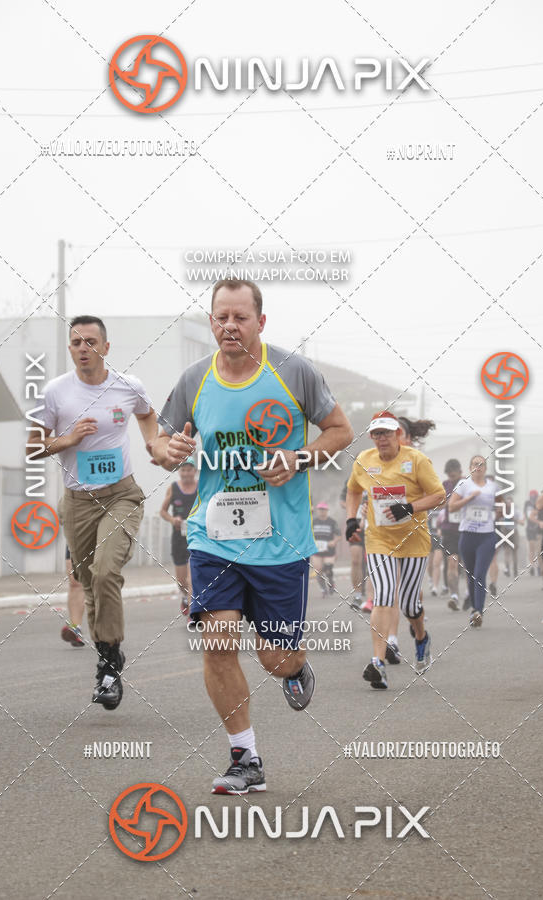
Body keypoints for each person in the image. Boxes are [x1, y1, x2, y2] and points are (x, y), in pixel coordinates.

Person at [152, 278, 353, 794]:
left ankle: (295, 669)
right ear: (212, 322)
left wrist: (299, 456)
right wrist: (167, 451)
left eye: (240, 317)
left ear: (260, 322)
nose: (229, 326)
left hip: (280, 540)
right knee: (218, 640)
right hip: (213, 535)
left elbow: (339, 431)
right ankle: (246, 758)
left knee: (275, 657)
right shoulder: (195, 378)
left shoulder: (292, 372)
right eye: (220, 317)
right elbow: (161, 440)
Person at [27, 315, 158, 709]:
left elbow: (148, 415)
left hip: (121, 495)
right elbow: (33, 446)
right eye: (75, 342)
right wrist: (66, 439)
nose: (82, 349)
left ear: (105, 347)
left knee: (105, 571)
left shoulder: (128, 386)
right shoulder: (55, 392)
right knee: (89, 583)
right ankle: (109, 655)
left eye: (89, 341)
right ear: (70, 349)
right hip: (78, 503)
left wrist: (154, 445)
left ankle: (108, 664)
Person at [345, 411, 446, 690]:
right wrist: (351, 518)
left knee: (410, 604)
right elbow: (353, 490)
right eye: (377, 434)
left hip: (414, 541)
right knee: (384, 595)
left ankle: (421, 636)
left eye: (387, 433)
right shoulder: (364, 461)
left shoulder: (416, 460)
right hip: (379, 540)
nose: (382, 439)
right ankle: (378, 663)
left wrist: (410, 507)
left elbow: (439, 495)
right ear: (371, 438)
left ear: (397, 435)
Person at [449, 455, 498, 628]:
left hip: (487, 536)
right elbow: (452, 506)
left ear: (485, 468)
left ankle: (478, 610)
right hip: (467, 535)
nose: (478, 467)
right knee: (470, 575)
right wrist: (469, 498)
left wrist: (498, 515)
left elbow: (501, 507)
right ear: (470, 467)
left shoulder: (493, 487)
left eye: (481, 464)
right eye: (475, 464)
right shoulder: (464, 485)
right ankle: (473, 609)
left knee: (479, 574)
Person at [160, 457, 198, 614]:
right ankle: (185, 598)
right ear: (179, 471)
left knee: (192, 578)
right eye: (183, 470)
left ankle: (194, 611)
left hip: (197, 537)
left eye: (189, 470)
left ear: (195, 471)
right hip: (179, 538)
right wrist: (172, 519)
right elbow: (163, 511)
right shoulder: (173, 488)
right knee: (182, 581)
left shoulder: (201, 487)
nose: (186, 473)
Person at [339, 479, 367, 606]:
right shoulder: (352, 479)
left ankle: (377, 596)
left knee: (374, 561)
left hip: (375, 524)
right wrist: (356, 507)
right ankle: (357, 595)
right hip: (356, 524)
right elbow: (342, 502)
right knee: (356, 560)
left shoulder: (382, 473)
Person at [440, 459, 463, 611]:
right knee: (452, 562)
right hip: (449, 530)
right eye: (449, 476)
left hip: (466, 529)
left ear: (460, 472)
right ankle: (454, 595)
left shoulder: (468, 484)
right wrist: (447, 502)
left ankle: (470, 595)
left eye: (454, 475)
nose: (451, 478)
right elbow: (439, 503)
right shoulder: (445, 485)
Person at [311, 502, 340, 596]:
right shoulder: (313, 522)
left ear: (327, 511)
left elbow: (339, 535)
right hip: (316, 550)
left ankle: (331, 583)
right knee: (318, 571)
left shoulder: (332, 522)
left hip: (329, 550)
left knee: (328, 568)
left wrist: (334, 542)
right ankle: (323, 588)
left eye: (323, 509)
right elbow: (308, 534)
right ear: (317, 510)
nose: (322, 511)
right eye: (320, 509)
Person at [60, 545, 86, 647]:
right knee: (75, 581)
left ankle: (108, 631)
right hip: (77, 530)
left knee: (103, 581)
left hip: (105, 533)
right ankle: (75, 629)